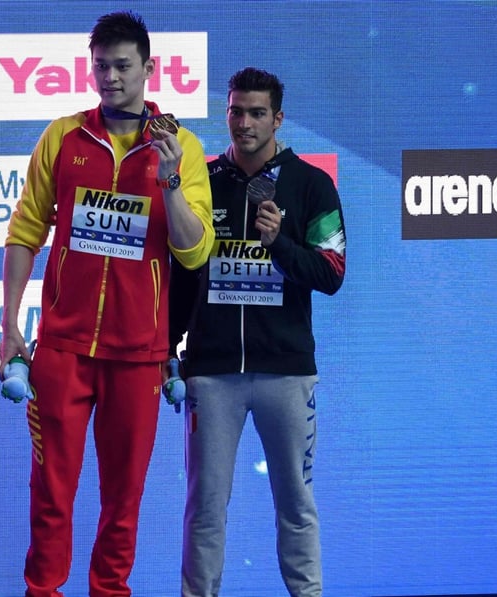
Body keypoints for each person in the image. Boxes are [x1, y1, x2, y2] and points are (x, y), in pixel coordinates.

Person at [0, 10, 214, 597]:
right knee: (51, 494)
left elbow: (194, 251)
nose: (111, 77)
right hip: (62, 351)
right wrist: (11, 324)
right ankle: (42, 591)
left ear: (149, 68)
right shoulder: (63, 136)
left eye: (122, 66)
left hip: (139, 356)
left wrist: (169, 180)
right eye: (101, 66)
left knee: (123, 500)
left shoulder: (182, 147)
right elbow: (25, 231)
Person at [170, 67, 346, 597]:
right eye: (236, 111)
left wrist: (279, 246)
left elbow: (332, 273)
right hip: (212, 373)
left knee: (296, 504)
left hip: (286, 374)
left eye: (256, 113)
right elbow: (182, 275)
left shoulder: (312, 184)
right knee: (204, 507)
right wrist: (167, 347)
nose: (244, 123)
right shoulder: (201, 181)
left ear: (278, 119)